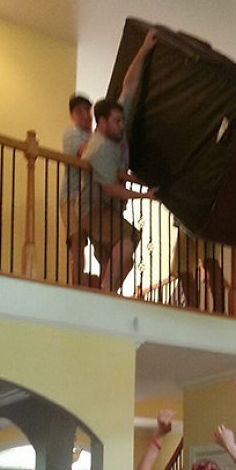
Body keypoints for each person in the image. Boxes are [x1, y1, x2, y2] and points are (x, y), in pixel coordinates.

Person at [81, 29, 158, 293]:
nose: (121, 124)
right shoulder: (99, 148)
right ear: (101, 123)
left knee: (126, 252)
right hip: (92, 210)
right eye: (116, 121)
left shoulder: (117, 130)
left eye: (121, 119)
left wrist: (145, 48)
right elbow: (109, 188)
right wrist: (144, 195)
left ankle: (107, 293)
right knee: (126, 243)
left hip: (111, 210)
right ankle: (105, 293)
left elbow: (130, 84)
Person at [60, 93, 93, 284]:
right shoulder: (72, 133)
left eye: (88, 111)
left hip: (88, 198)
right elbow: (85, 154)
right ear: (73, 116)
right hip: (71, 197)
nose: (86, 116)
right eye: (80, 112)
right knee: (77, 243)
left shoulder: (94, 136)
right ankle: (77, 287)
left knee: (98, 243)